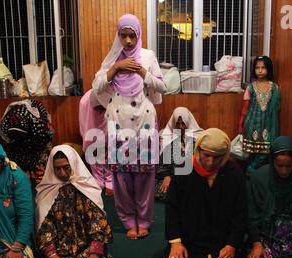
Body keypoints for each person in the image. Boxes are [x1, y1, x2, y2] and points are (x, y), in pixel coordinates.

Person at [92, 14, 166, 240]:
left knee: (145, 176)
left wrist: (142, 72)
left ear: (138, 34)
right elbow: (97, 87)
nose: (128, 42)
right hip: (118, 122)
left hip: (143, 122)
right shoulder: (113, 57)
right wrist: (116, 68)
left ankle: (143, 220)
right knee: (121, 177)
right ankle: (127, 220)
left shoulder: (147, 56)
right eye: (123, 36)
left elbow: (162, 87)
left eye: (132, 36)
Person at [162, 128, 247, 258]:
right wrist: (176, 243)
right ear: (198, 149)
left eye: (217, 157)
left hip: (221, 242)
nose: (210, 162)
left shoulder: (234, 174)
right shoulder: (184, 169)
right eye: (206, 155)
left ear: (226, 155)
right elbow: (172, 208)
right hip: (189, 241)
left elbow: (241, 212)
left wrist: (231, 245)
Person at [35, 145, 115, 258]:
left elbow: (98, 224)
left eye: (66, 167)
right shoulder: (47, 192)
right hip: (59, 252)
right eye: (57, 169)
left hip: (86, 250)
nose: (62, 173)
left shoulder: (86, 187)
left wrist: (94, 255)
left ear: (74, 164)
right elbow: (44, 229)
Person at [237, 56, 280, 176]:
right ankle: (250, 176)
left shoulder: (274, 87)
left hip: (267, 124)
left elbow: (275, 109)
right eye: (257, 68)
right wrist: (240, 125)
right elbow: (245, 109)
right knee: (251, 151)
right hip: (251, 123)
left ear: (269, 69)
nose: (260, 70)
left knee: (265, 150)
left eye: (263, 67)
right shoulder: (250, 87)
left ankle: (251, 170)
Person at [0, 99, 54, 186]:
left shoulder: (39, 129)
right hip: (15, 148)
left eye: (21, 134)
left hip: (38, 146)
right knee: (17, 178)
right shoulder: (6, 125)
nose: (19, 136)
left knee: (40, 178)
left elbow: (42, 146)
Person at [156, 106, 203, 200]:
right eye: (178, 123)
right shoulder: (168, 138)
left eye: (183, 123)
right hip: (172, 178)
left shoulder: (200, 138)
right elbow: (162, 164)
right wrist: (167, 176)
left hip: (193, 179)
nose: (181, 127)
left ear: (188, 122)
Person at [79, 89, 113, 196]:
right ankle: (98, 179)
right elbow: (85, 129)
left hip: (112, 113)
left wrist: (109, 181)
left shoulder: (117, 96)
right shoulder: (85, 101)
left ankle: (109, 181)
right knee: (92, 146)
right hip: (90, 117)